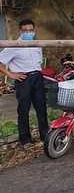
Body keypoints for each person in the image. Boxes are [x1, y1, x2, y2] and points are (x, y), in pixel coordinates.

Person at [0, 19, 48, 147]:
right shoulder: (14, 46)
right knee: (23, 109)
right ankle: (25, 139)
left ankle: (45, 136)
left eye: (30, 30)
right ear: (20, 31)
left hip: (37, 77)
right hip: (23, 79)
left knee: (41, 108)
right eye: (25, 31)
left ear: (34, 30)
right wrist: (11, 74)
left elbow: (38, 62)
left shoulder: (36, 44)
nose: (28, 33)